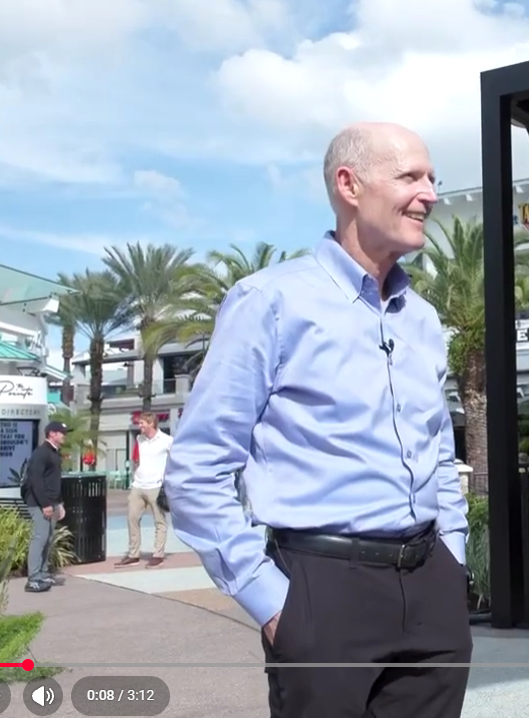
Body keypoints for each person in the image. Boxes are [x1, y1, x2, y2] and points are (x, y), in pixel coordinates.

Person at [163, 121, 471, 718]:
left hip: (431, 588)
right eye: (410, 177)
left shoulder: (423, 320)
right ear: (349, 185)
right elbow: (197, 468)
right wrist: (274, 603)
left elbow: (437, 448)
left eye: (433, 178)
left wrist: (453, 558)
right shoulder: (270, 302)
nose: (430, 194)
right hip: (321, 589)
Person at [115, 412, 172, 568]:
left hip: (156, 486)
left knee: (159, 521)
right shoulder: (139, 439)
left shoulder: (167, 441)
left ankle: (158, 555)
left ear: (151, 423)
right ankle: (133, 555)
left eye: (142, 423)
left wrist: (168, 479)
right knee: (132, 518)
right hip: (138, 486)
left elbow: (177, 459)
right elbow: (136, 459)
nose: (139, 426)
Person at [22, 421, 69, 593]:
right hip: (39, 503)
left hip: (51, 503)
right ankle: (33, 578)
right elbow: (36, 481)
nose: (64, 436)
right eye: (62, 432)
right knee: (40, 538)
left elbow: (54, 481)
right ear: (52, 434)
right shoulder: (41, 453)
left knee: (48, 538)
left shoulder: (54, 453)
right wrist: (45, 504)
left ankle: (43, 573)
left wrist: (59, 503)